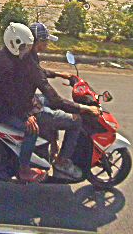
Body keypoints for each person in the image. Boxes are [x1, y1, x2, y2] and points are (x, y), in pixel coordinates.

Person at [28, 22, 100, 180]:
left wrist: (59, 74)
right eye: (45, 41)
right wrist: (84, 108)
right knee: (75, 121)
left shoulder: (29, 55)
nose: (47, 44)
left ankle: (53, 146)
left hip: (29, 100)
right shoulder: (29, 61)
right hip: (30, 108)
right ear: (38, 42)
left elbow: (40, 72)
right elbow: (55, 100)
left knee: (54, 106)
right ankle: (62, 161)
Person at [0, 22, 46, 182]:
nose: (28, 49)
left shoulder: (5, 53)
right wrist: (26, 116)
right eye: (25, 46)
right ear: (15, 43)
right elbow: (11, 96)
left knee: (41, 103)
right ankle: (24, 169)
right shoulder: (6, 64)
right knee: (32, 129)